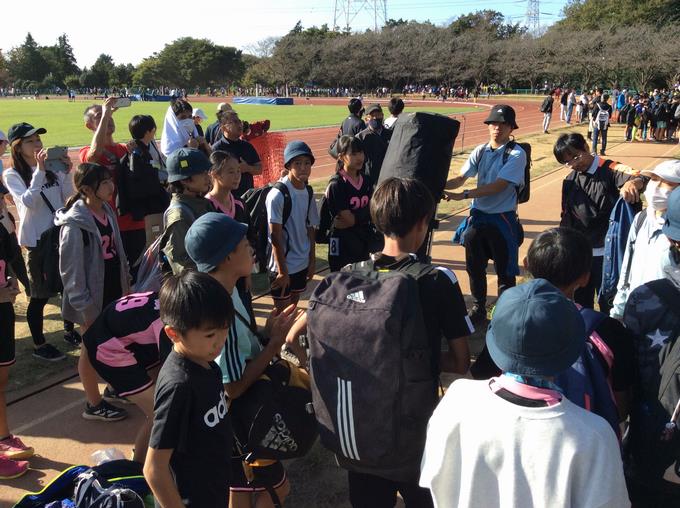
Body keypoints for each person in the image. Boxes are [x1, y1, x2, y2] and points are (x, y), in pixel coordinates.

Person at [419, 279, 630, 508]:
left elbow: (432, 478)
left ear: (494, 342)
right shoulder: (595, 435)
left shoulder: (456, 400)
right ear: (570, 350)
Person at [329, 176, 471, 508]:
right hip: (414, 427)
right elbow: (461, 362)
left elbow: (295, 336)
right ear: (423, 224)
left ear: (377, 220)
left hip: (362, 425)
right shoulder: (437, 279)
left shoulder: (349, 273)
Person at [184, 213, 301, 508]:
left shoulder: (223, 289)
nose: (251, 248)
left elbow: (240, 350)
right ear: (225, 258)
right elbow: (233, 387)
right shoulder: (220, 307)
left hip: (229, 421)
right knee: (273, 490)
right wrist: (274, 345)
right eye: (244, 243)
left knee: (243, 488)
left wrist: (264, 334)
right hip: (240, 420)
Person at [143, 271, 234, 508]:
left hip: (215, 490)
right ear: (173, 333)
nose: (220, 340)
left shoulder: (207, 363)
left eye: (225, 329)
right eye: (210, 334)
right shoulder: (178, 386)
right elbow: (154, 469)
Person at [55, 163, 130, 422]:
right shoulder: (75, 225)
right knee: (90, 351)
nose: (111, 186)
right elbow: (71, 273)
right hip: (92, 299)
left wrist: (126, 285)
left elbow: (118, 253)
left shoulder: (107, 210)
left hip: (112, 289)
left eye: (111, 180)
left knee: (116, 342)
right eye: (105, 182)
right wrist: (86, 309)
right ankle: (93, 403)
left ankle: (112, 387)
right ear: (87, 189)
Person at [445, 105, 526, 326]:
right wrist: (439, 185)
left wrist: (463, 195)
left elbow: (499, 186)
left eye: (502, 124)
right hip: (479, 217)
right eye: (493, 123)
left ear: (511, 127)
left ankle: (505, 315)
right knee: (474, 267)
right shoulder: (480, 150)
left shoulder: (517, 153)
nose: (496, 128)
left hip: (502, 219)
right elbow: (461, 177)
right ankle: (479, 308)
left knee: (505, 271)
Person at [553, 133, 646, 312]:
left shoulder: (610, 169)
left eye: (576, 156)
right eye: (567, 162)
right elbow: (566, 216)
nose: (574, 164)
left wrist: (634, 182)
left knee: (609, 303)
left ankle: (610, 337)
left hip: (608, 254)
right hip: (581, 254)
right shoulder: (570, 181)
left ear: (586, 147)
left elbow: (643, 177)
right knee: (580, 303)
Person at [2, 122, 71, 359]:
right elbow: (28, 203)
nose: (37, 144)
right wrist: (40, 170)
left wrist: (66, 171)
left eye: (38, 139)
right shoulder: (11, 174)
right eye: (30, 141)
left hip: (59, 235)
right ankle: (39, 345)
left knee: (66, 288)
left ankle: (69, 330)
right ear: (18, 147)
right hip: (37, 242)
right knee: (39, 295)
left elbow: (66, 196)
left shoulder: (50, 168)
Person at [83, 291, 170, 463]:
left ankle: (149, 455)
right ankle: (137, 465)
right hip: (109, 347)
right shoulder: (169, 322)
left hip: (127, 336)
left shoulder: (176, 299)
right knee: (163, 413)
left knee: (163, 402)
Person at [81, 99, 147, 273]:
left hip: (134, 221)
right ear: (89, 126)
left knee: (139, 274)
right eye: (100, 116)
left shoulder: (125, 148)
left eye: (110, 115)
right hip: (109, 225)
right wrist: (106, 112)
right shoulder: (86, 152)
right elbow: (93, 156)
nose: (108, 117)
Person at [610, 160, 680, 319]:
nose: (656, 187)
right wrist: (618, 310)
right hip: (634, 313)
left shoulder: (676, 234)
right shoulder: (641, 218)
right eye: (655, 179)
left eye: (667, 184)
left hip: (666, 324)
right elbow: (627, 269)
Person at [0, 191, 33, 479]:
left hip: (2, 307)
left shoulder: (2, 221)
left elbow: (7, 257)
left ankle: (2, 437)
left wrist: (10, 279)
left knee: (1, 377)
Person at [267, 141, 319, 311]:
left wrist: (311, 261)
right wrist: (282, 271)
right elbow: (275, 235)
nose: (303, 168)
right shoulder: (278, 195)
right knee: (282, 314)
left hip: (301, 263)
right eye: (298, 163)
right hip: (282, 266)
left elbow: (310, 228)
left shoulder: (308, 192)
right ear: (288, 165)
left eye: (307, 163)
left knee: (293, 307)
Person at [324, 135, 381, 272]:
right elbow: (348, 220)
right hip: (342, 243)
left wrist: (358, 217)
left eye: (360, 152)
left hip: (363, 240)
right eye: (353, 154)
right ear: (341, 156)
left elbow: (374, 212)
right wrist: (367, 213)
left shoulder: (367, 181)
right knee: (342, 282)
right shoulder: (336, 184)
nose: (359, 157)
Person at [162, 148, 215, 275]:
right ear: (185, 180)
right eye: (202, 173)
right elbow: (182, 265)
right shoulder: (179, 215)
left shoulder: (202, 203)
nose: (208, 177)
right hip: (200, 287)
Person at [211, 112, 262, 199]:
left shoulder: (247, 146)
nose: (239, 125)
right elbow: (212, 176)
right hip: (226, 199)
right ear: (224, 128)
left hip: (248, 198)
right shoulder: (217, 149)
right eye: (234, 122)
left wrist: (247, 168)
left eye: (239, 121)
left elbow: (259, 169)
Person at [355, 104, 392, 185]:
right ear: (366, 119)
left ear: (382, 115)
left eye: (378, 115)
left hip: (388, 179)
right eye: (372, 115)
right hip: (369, 181)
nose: (375, 118)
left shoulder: (392, 135)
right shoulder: (360, 138)